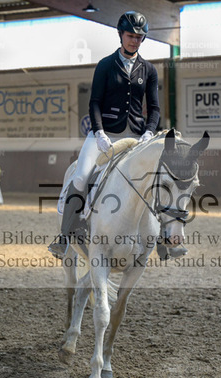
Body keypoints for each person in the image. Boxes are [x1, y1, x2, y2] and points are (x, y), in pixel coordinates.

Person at [48, 11, 160, 259]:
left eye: (139, 37)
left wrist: (149, 132)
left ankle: (162, 237)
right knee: (81, 177)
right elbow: (95, 102)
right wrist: (98, 132)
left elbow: (154, 108)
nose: (135, 41)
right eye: (131, 36)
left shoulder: (149, 70)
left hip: (136, 138)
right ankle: (65, 236)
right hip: (104, 134)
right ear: (121, 35)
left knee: (155, 179)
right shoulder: (106, 65)